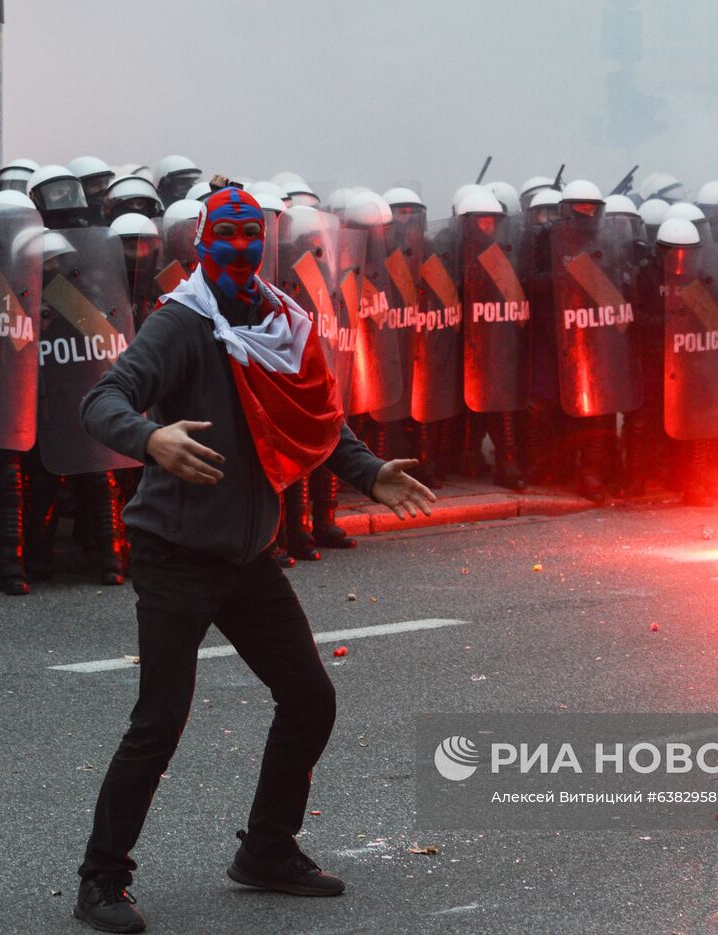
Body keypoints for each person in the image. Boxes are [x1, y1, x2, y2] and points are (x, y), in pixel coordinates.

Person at [73, 187, 435, 933]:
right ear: (204, 244)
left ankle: (267, 850)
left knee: (309, 696)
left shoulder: (281, 320)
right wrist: (150, 438)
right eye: (225, 237)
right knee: (160, 720)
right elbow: (102, 399)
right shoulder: (182, 323)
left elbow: (315, 422)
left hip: (246, 556)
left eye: (251, 237)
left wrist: (370, 472)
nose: (240, 250)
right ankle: (101, 879)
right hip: (174, 556)